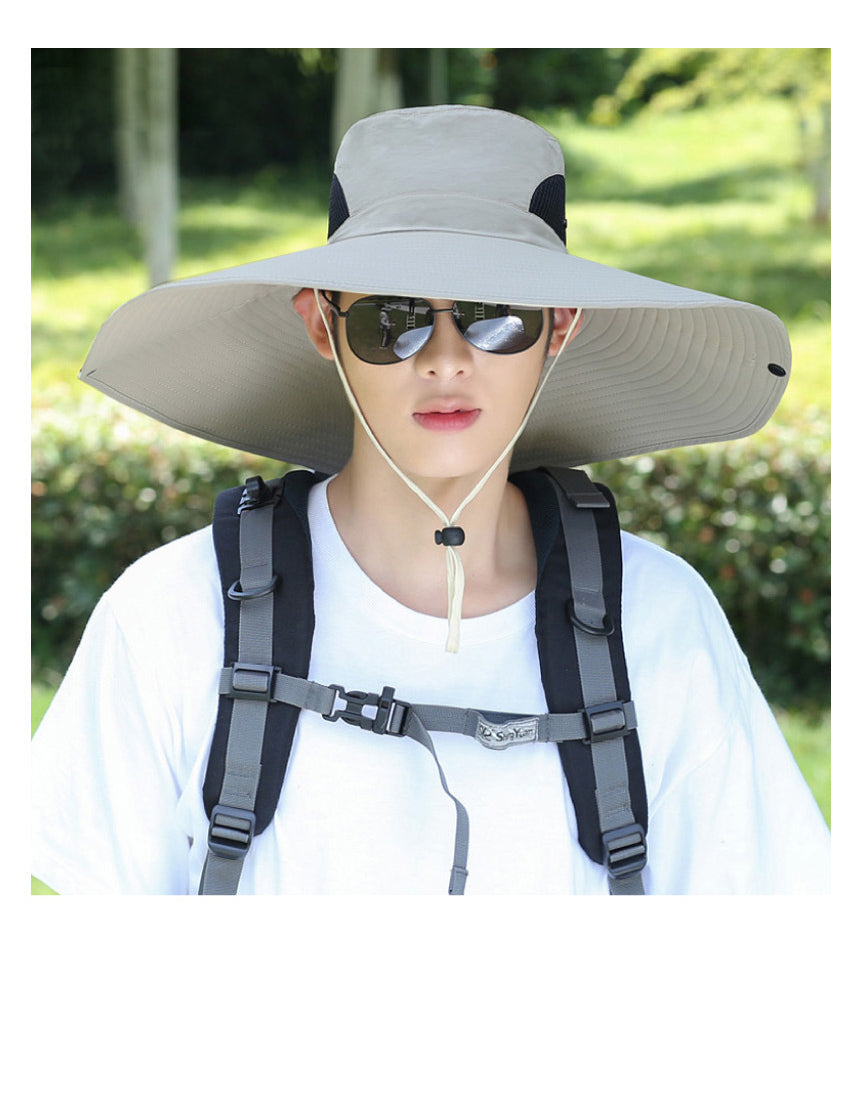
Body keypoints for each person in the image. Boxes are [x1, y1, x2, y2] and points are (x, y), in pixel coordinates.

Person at [31, 104, 829, 895]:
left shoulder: (660, 621)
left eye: (494, 317)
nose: (446, 361)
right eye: (395, 321)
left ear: (560, 326)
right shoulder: (173, 616)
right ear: (322, 323)